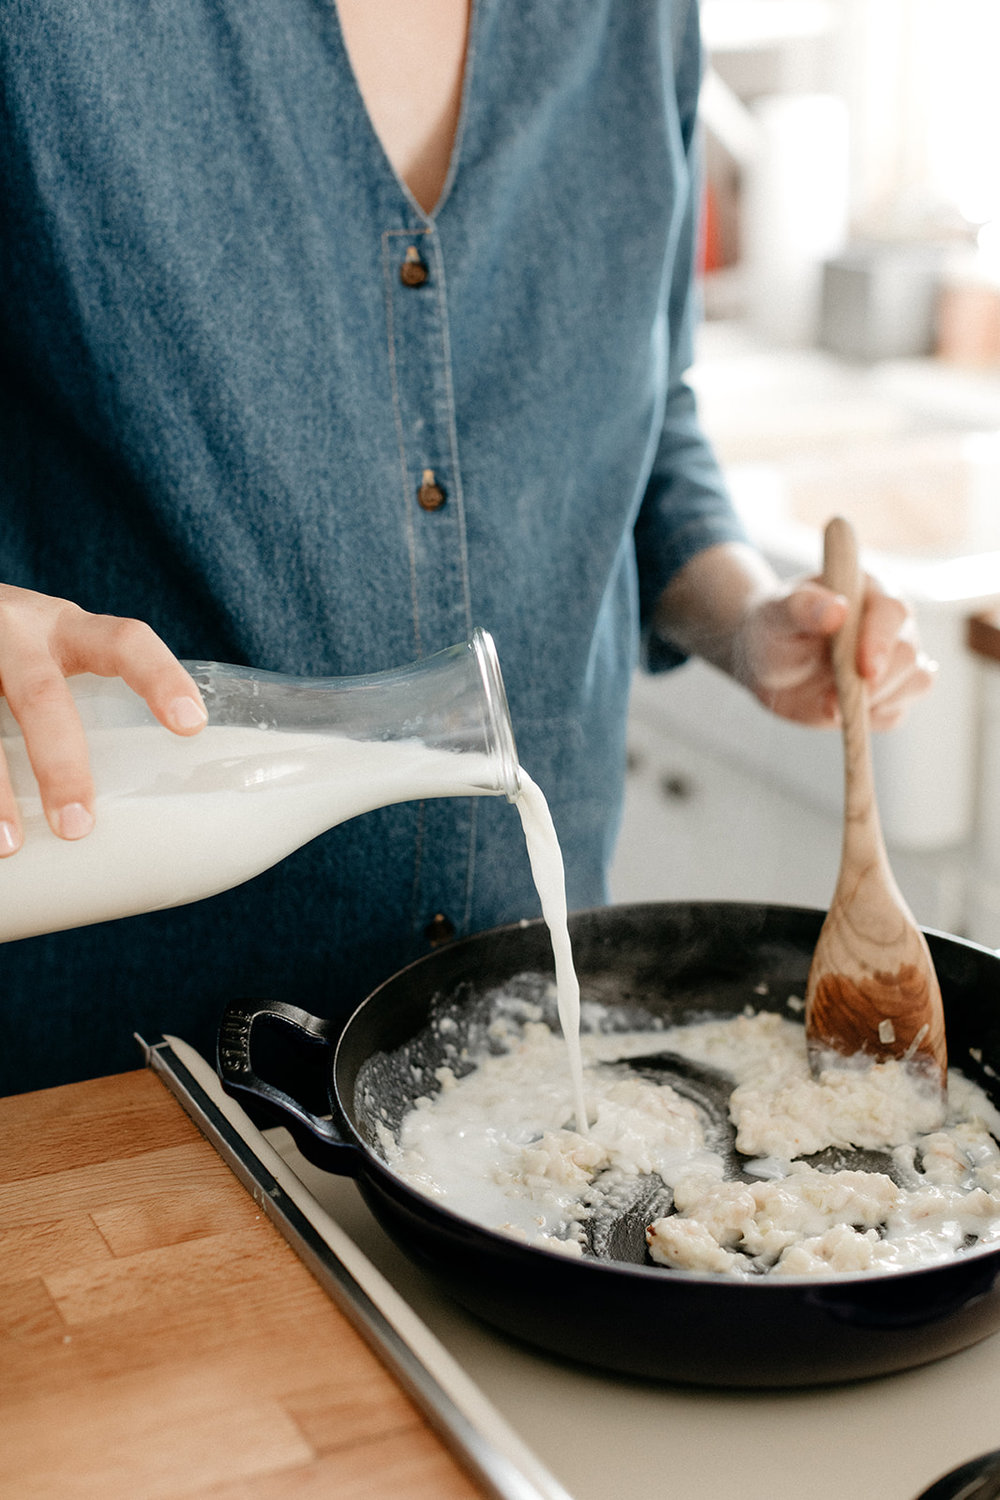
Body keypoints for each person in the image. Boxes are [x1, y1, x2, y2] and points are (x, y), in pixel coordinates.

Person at [0, 0, 932, 1095]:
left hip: (531, 1043)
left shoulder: (635, 24)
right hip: (133, 1066)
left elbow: (649, 406)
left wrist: (744, 614)